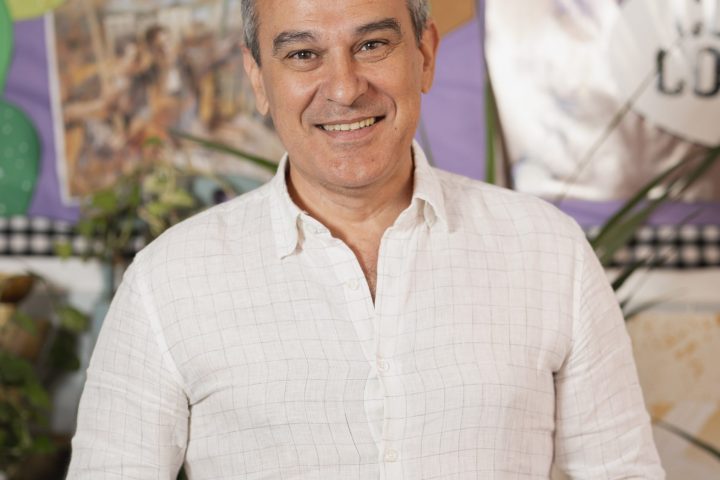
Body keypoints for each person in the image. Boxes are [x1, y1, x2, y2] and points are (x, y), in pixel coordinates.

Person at [67, 0, 664, 478]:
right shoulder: (167, 281)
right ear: (258, 79)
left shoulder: (549, 252)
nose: (345, 87)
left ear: (425, 56)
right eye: (303, 54)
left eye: (373, 45)